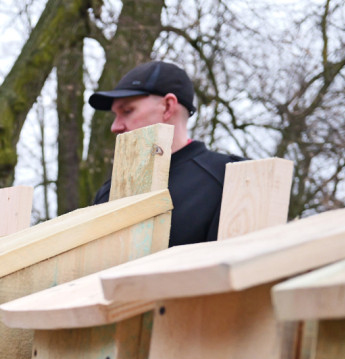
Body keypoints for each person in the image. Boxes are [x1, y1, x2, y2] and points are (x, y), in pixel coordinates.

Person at [89, 60, 245, 247]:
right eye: (114, 115)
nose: (115, 127)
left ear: (168, 107)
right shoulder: (108, 195)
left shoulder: (234, 178)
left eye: (127, 111)